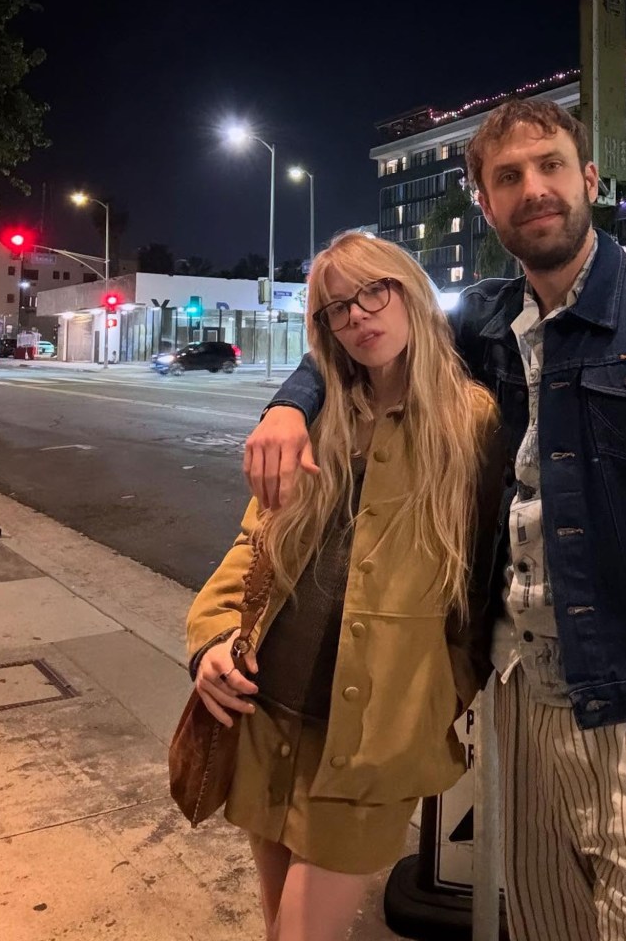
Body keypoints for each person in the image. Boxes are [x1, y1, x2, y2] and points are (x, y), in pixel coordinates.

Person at [244, 99, 626, 939]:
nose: (533, 189)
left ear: (588, 180)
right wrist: (293, 404)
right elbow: (366, 332)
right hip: (522, 707)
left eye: (550, 166)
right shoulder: (480, 322)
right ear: (485, 203)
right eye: (507, 177)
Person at [185, 232, 504, 941]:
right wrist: (211, 638)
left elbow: (482, 581)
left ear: (411, 292)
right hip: (268, 710)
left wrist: (445, 691)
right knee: (277, 926)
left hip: (374, 736)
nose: (358, 316)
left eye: (374, 292)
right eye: (336, 308)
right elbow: (254, 542)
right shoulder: (317, 412)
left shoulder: (471, 418)